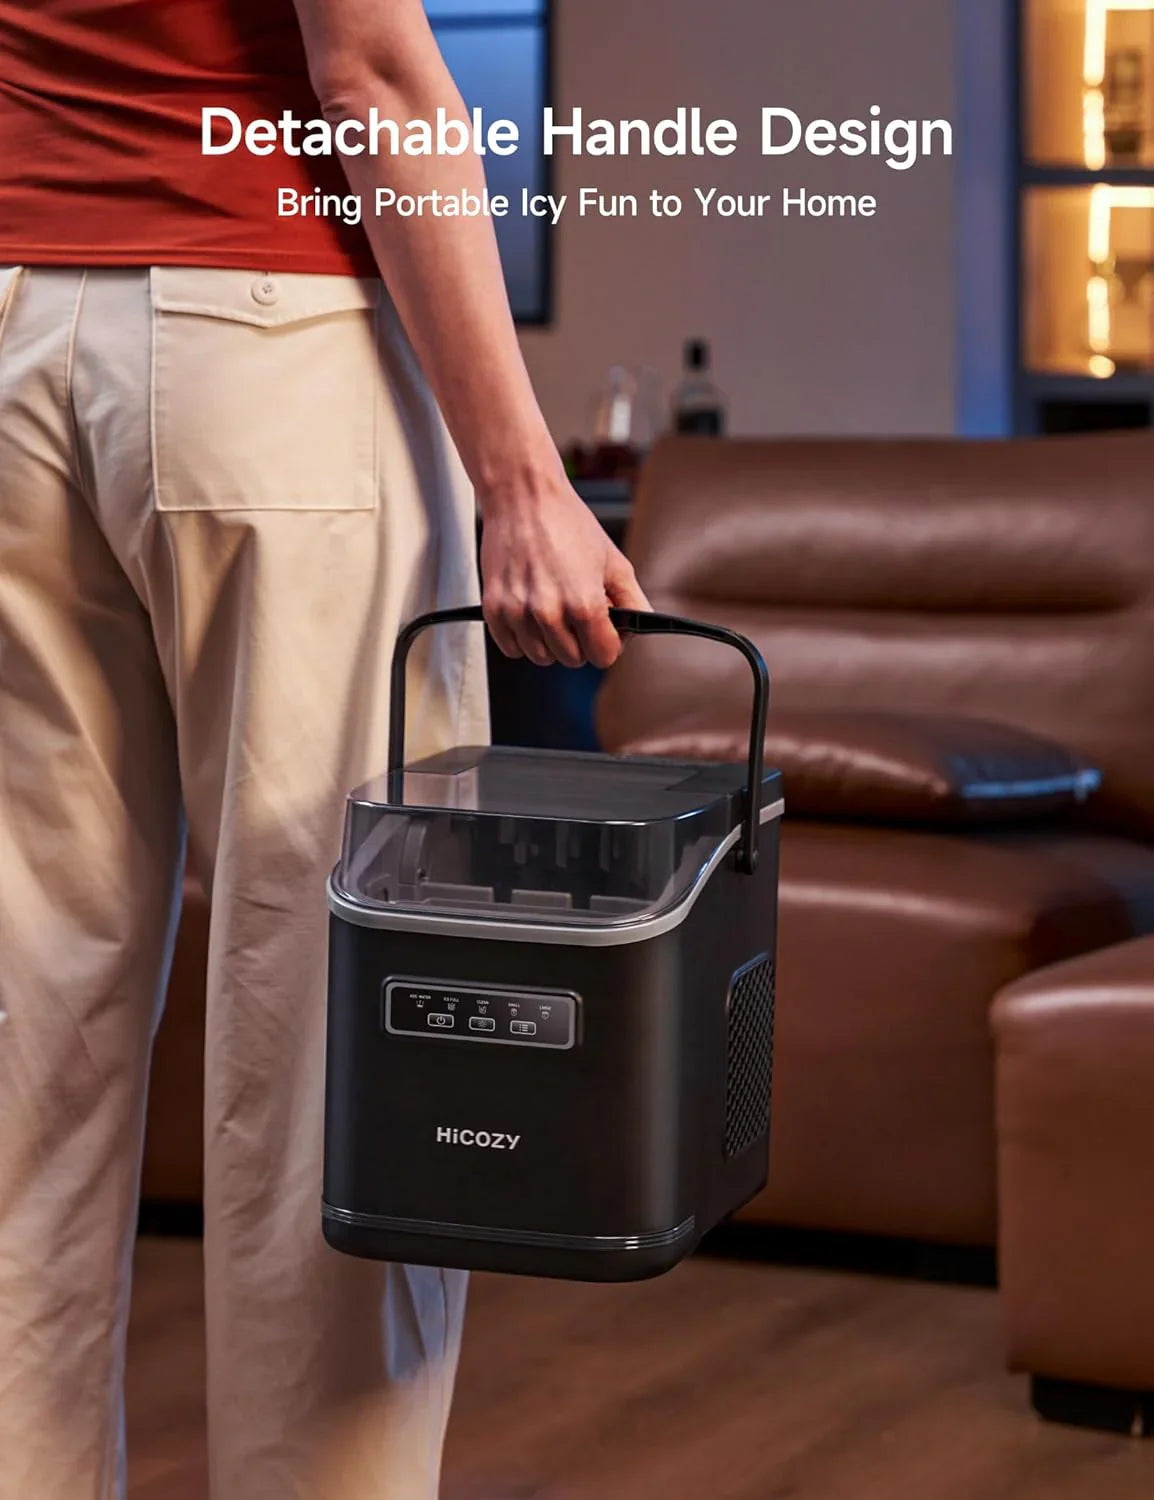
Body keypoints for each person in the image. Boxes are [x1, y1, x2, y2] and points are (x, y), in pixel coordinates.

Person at [0, 0, 649, 1496]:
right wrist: (521, 476)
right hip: (265, 349)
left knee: (32, 1038)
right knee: (346, 1035)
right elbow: (369, 64)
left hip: (22, 333)